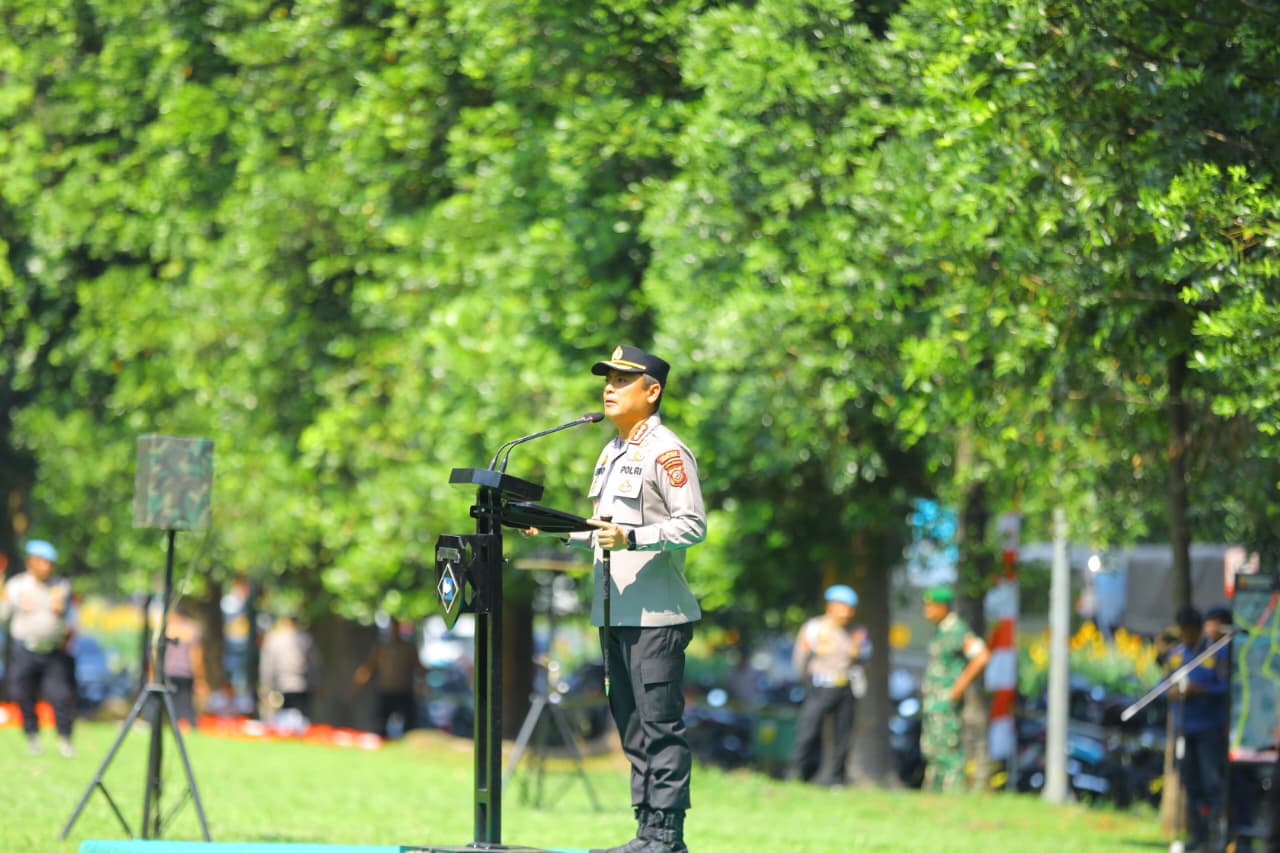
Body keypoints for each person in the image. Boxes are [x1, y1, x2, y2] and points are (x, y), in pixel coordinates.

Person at [531, 344, 706, 853]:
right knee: (632, 730)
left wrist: (635, 538)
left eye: (622, 380)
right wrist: (554, 529)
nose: (609, 387)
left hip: (656, 615)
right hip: (614, 611)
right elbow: (603, 531)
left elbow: (691, 525)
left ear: (652, 392)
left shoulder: (667, 452)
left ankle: (667, 838)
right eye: (607, 378)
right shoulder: (611, 451)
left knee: (660, 728)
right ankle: (645, 834)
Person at [0, 540, 77, 757]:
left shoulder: (60, 585)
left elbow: (66, 615)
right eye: (41, 562)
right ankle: (32, 736)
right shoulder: (16, 586)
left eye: (49, 563)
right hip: (24, 649)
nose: (46, 567)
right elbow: (3, 616)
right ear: (31, 562)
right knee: (23, 693)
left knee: (60, 695)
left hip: (52, 651)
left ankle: (65, 738)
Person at [788, 584, 869, 786]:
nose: (846, 612)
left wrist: (857, 648)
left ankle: (835, 779)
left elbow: (866, 655)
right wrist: (805, 681)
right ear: (831, 606)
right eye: (842, 606)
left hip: (845, 687)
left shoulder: (857, 632)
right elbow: (800, 658)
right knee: (808, 731)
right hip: (820, 686)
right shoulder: (815, 628)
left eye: (850, 607)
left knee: (843, 735)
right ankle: (797, 774)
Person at [1166, 605, 1229, 852]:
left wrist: (1200, 690)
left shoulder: (1215, 653)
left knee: (1212, 783)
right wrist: (1172, 691)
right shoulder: (1176, 655)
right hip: (1185, 728)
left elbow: (1225, 688)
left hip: (1209, 728)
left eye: (1190, 630)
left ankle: (1217, 837)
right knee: (1191, 784)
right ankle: (1198, 835)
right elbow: (1164, 686)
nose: (1187, 635)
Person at [919, 585, 989, 792]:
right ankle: (934, 795)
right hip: (935, 702)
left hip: (946, 703)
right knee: (933, 750)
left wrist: (958, 688)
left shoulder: (957, 629)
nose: (927, 611)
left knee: (948, 751)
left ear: (943, 607)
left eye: (931, 607)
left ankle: (953, 795)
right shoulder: (941, 631)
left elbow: (982, 656)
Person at [352, 618, 425, 739]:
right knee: (381, 724)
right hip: (386, 690)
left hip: (404, 690)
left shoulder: (408, 648)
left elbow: (419, 668)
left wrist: (422, 684)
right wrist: (358, 683)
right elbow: (369, 667)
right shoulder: (381, 648)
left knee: (410, 724)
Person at [258, 612, 318, 725]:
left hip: (281, 686)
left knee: (283, 722)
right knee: (301, 720)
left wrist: (266, 686)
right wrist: (315, 683)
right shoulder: (305, 638)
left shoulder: (273, 638)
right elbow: (314, 664)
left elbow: (267, 665)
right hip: (300, 686)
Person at [160, 600, 208, 729]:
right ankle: (188, 727)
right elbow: (196, 656)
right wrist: (200, 678)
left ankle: (174, 726)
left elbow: (156, 653)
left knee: (171, 704)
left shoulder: (166, 628)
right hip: (186, 672)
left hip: (168, 671)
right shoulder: (192, 629)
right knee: (186, 705)